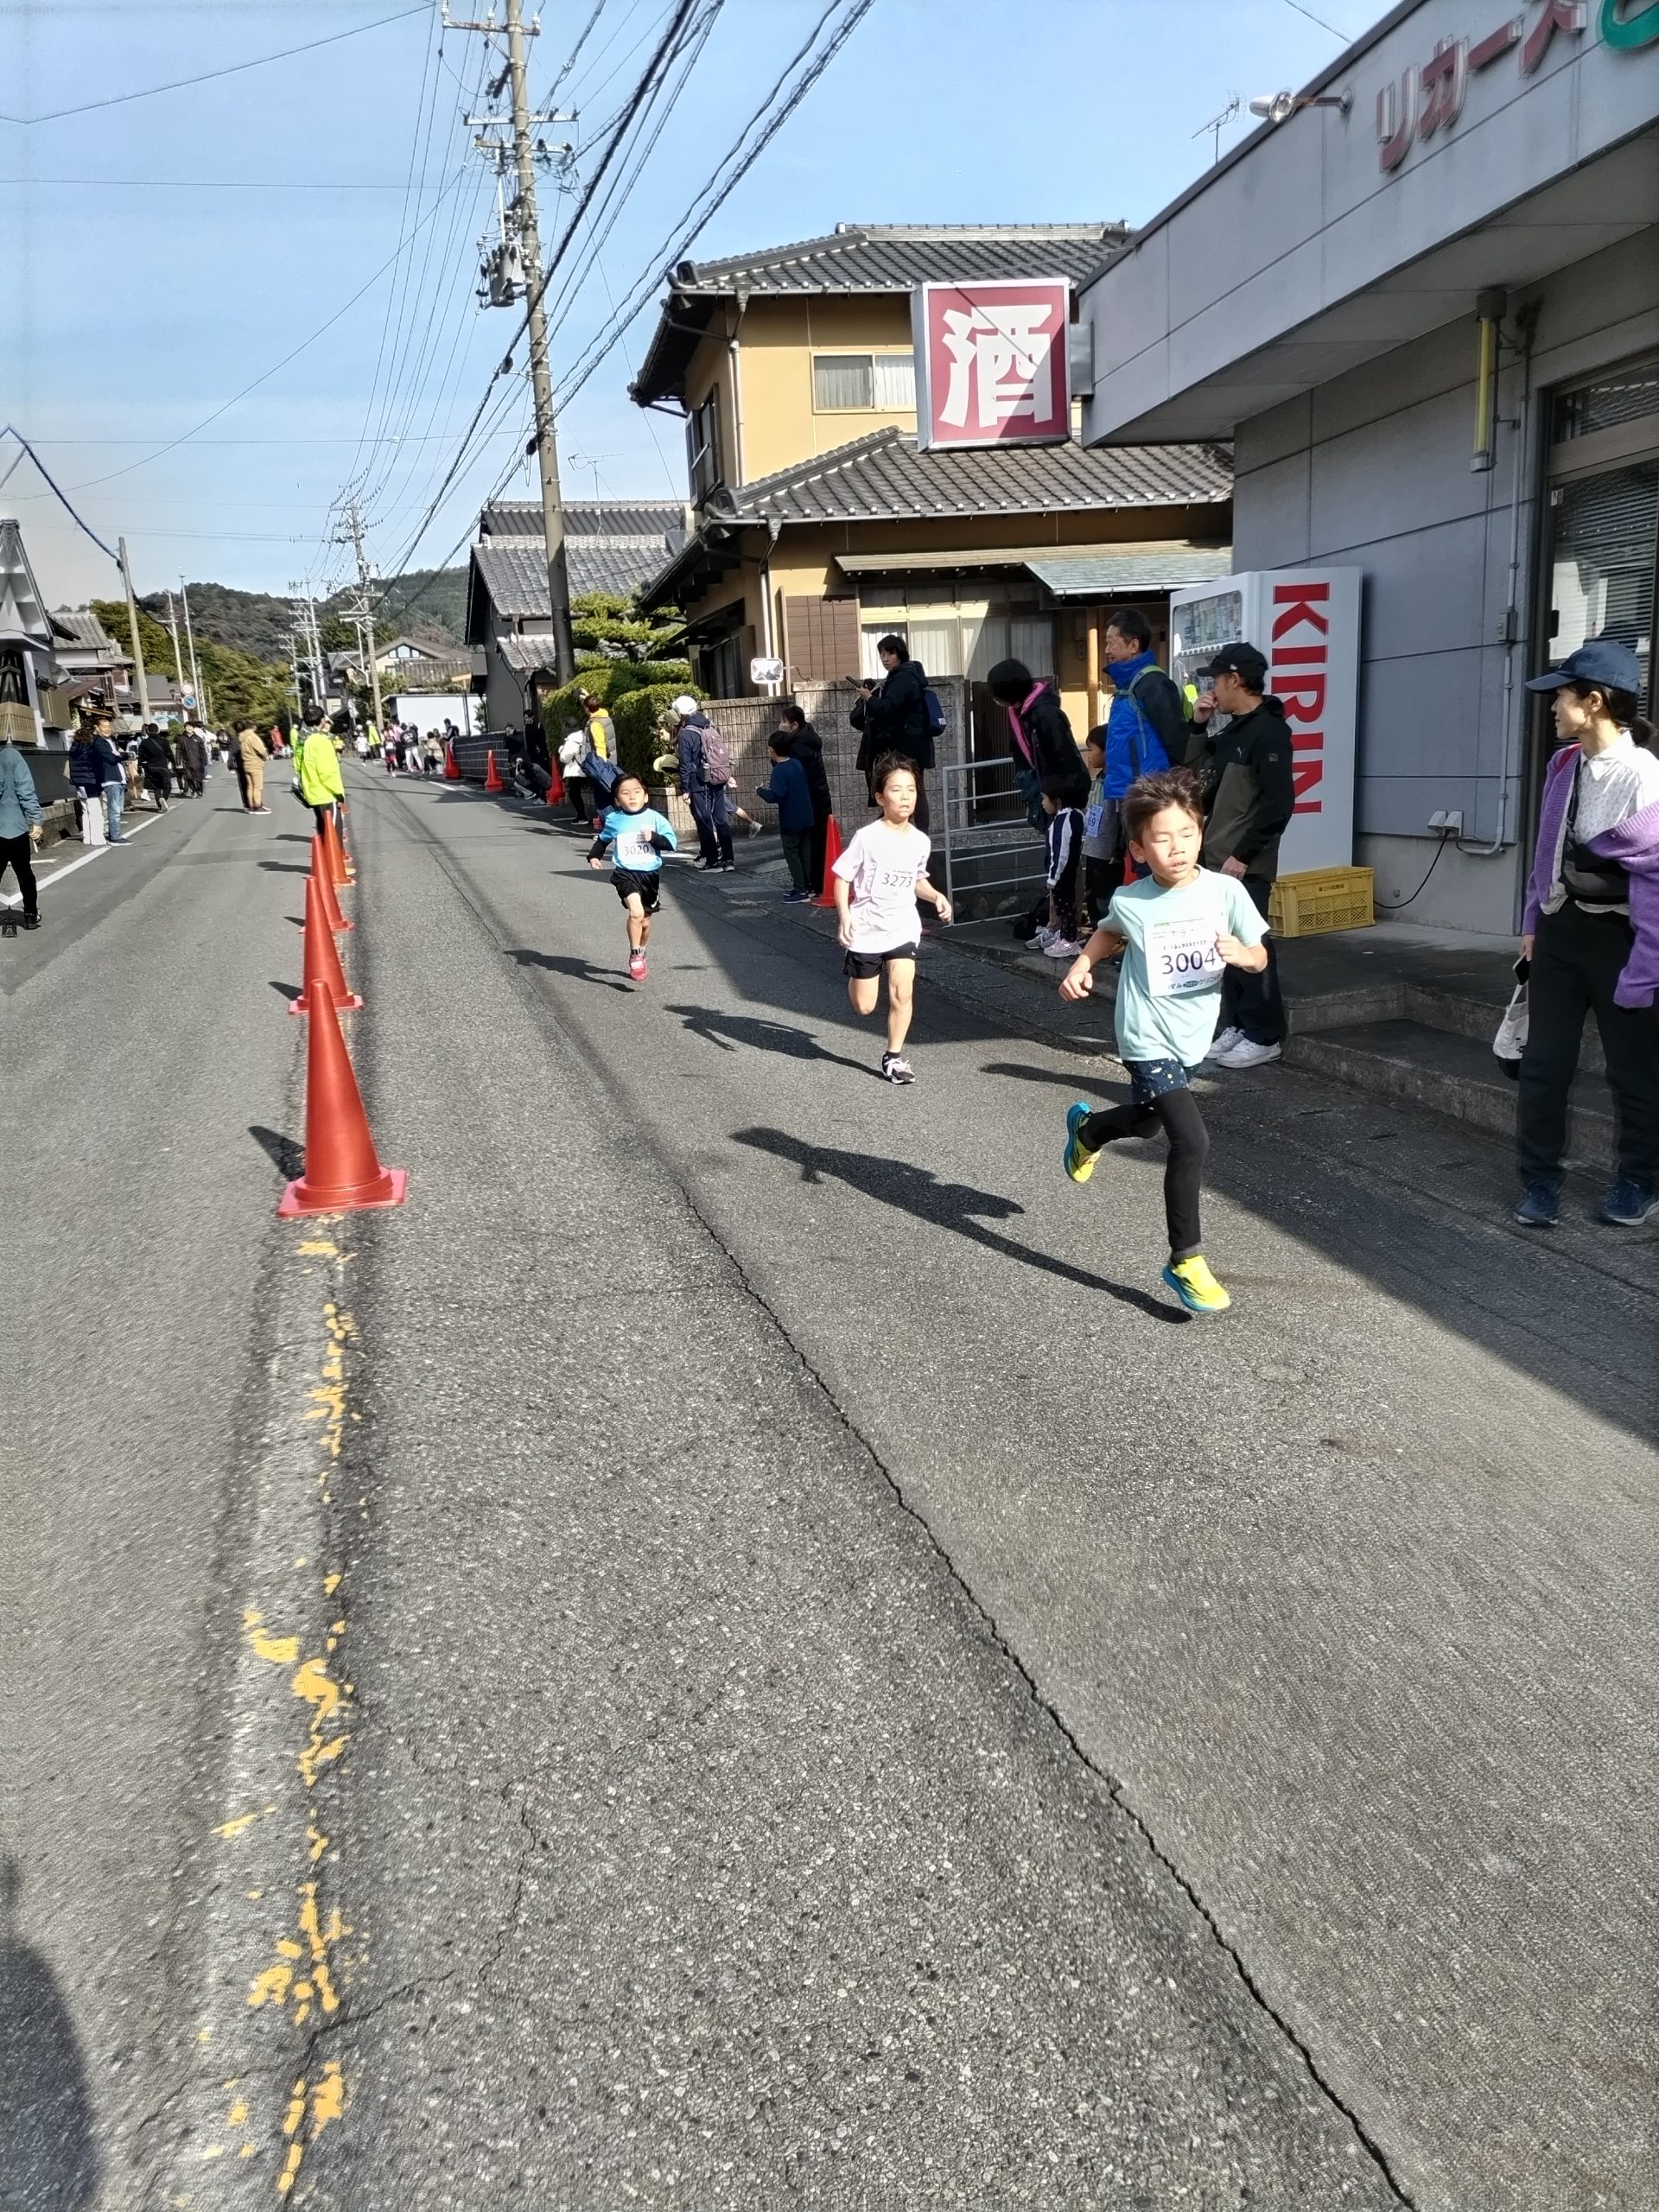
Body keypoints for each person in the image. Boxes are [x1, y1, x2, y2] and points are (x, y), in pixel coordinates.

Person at [1058, 766, 1271, 1316]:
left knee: (1148, 1122)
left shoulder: (1226, 892)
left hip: (1191, 1037)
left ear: (1201, 832)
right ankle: (1185, 1260)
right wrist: (1082, 964)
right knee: (1191, 1140)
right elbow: (1109, 930)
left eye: (1186, 833)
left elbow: (1259, 954)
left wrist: (1242, 956)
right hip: (1145, 1033)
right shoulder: (1133, 899)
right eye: (1161, 838)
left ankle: (1089, 1131)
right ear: (1138, 848)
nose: (1176, 848)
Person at [1515, 637, 1659, 1228]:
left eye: (1562, 696)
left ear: (1594, 702)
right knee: (1544, 1065)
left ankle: (1639, 1181)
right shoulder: (1563, 765)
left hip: (1623, 941)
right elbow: (1546, 851)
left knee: (1634, 1071)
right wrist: (1533, 921)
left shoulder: (1643, 776)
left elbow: (1655, 880)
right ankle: (1539, 1180)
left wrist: (1647, 965)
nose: (1553, 707)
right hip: (1560, 931)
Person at [1185, 642, 1294, 1070]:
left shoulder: (1270, 732)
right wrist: (1198, 725)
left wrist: (1244, 854)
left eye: (1216, 679)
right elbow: (1194, 771)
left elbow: (1279, 803)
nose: (1212, 688)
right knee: (1224, 946)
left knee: (1251, 945)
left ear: (1234, 680)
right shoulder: (1233, 731)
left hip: (1243, 864)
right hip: (1218, 859)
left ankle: (1265, 1035)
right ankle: (1239, 1024)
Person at [832, 752, 953, 1084]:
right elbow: (842, 876)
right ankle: (856, 969)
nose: (905, 797)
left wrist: (936, 896)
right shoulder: (867, 838)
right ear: (880, 797)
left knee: (903, 992)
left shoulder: (919, 841)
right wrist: (845, 916)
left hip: (902, 927)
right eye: (896, 790)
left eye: (911, 789)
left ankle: (894, 1057)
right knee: (864, 1006)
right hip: (867, 929)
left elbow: (917, 880)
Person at [587, 770, 678, 982]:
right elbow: (603, 840)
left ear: (645, 796)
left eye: (637, 792)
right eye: (625, 793)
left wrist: (654, 837)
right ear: (617, 800)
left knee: (645, 922)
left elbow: (671, 843)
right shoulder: (614, 819)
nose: (632, 797)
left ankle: (642, 949)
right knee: (636, 913)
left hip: (650, 876)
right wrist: (594, 856)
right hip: (625, 873)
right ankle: (635, 955)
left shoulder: (655, 818)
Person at [853, 635, 935, 829]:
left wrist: (869, 698)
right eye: (882, 654)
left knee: (913, 790)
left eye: (890, 653)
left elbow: (888, 709)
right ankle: (904, 829)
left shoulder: (903, 678)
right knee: (909, 788)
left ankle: (918, 833)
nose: (885, 658)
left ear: (900, 654)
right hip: (913, 743)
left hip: (908, 745)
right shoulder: (905, 675)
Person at [986, 658, 1089, 809]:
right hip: (1044, 790)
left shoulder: (1045, 714)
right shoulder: (1021, 712)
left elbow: (1062, 756)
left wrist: (1055, 796)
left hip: (1062, 797)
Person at [672, 694, 735, 872]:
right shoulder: (709, 724)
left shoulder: (687, 733)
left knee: (704, 820)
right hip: (717, 776)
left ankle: (712, 861)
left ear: (681, 713)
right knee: (720, 819)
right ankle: (728, 860)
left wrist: (685, 788)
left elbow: (685, 763)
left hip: (699, 780)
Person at [778, 702, 833, 893]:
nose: (781, 725)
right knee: (813, 843)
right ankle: (812, 884)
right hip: (816, 799)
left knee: (811, 845)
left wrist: (780, 744)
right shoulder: (806, 738)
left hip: (812, 801)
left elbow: (786, 769)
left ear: (794, 725)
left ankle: (811, 885)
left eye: (783, 721)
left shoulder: (800, 747)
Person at [756, 734, 816, 900]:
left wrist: (760, 791)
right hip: (806, 816)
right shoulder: (797, 763)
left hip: (790, 819)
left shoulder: (779, 770)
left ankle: (800, 890)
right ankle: (807, 887)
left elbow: (776, 796)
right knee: (805, 853)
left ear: (772, 750)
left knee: (792, 854)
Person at [0, 731, 44, 930]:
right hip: (17, 828)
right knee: (25, 874)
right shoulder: (17, 759)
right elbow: (26, 792)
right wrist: (36, 821)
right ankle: (30, 916)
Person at [1039, 774, 1084, 957]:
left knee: (1065, 908)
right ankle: (1065, 935)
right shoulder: (1075, 815)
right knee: (1067, 907)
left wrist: (1053, 877)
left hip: (1062, 874)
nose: (1042, 803)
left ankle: (1069, 941)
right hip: (1069, 871)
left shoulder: (1062, 820)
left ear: (1056, 800)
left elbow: (1059, 852)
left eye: (1044, 798)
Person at [296, 709, 348, 837]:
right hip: (326, 793)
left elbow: (298, 763)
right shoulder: (321, 741)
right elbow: (327, 771)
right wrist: (339, 793)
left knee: (322, 828)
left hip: (312, 790)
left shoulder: (302, 738)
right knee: (333, 835)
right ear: (322, 720)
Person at [68, 724, 106, 846]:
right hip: (91, 781)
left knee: (85, 810)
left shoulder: (73, 749)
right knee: (95, 811)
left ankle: (87, 837)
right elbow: (97, 765)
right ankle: (97, 838)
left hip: (79, 783)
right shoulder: (90, 749)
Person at [93, 715, 128, 843]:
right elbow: (112, 758)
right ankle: (115, 837)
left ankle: (114, 833)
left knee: (119, 810)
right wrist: (120, 755)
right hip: (110, 778)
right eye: (104, 727)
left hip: (119, 778)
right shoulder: (99, 743)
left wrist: (121, 754)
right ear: (97, 728)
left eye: (108, 726)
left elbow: (123, 754)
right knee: (114, 810)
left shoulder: (111, 741)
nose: (107, 729)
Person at [137, 723, 173, 810]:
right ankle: (163, 798)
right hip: (163, 766)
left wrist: (139, 766)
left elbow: (141, 756)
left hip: (151, 767)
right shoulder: (164, 741)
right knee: (167, 785)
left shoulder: (144, 743)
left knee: (157, 787)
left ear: (148, 732)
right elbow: (170, 754)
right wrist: (174, 764)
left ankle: (160, 806)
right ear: (158, 730)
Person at [237, 721, 270, 814]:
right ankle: (257, 806)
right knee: (258, 787)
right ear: (253, 727)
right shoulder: (253, 737)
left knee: (250, 786)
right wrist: (265, 756)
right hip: (255, 763)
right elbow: (261, 750)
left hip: (246, 763)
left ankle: (251, 806)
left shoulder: (242, 737)